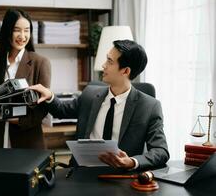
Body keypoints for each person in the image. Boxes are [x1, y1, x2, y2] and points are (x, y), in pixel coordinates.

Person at [30, 40, 169, 170]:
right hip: (82, 173)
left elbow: (160, 151)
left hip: (121, 176)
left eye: (109, 61)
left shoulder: (149, 107)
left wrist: (132, 162)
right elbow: (62, 111)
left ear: (126, 71)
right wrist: (49, 95)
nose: (103, 65)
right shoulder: (90, 94)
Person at [0, 8, 51, 149]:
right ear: (7, 31)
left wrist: (10, 117)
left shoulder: (40, 63)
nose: (22, 36)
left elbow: (42, 109)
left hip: (27, 142)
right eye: (17, 30)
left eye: (27, 30)